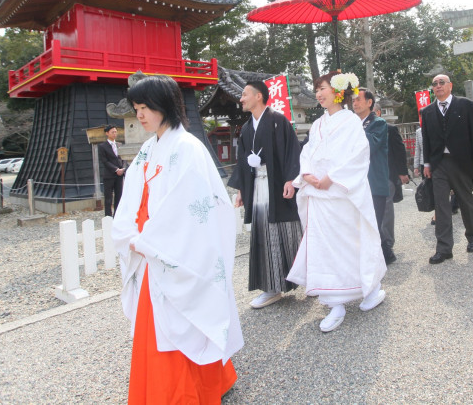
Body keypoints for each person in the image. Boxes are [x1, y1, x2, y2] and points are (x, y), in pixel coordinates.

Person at [112, 74, 243, 403]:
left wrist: (147, 240)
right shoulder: (147, 148)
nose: (140, 115)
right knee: (166, 322)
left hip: (167, 247)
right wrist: (128, 230)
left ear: (164, 106)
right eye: (137, 108)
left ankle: (181, 394)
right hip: (148, 244)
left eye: (145, 107)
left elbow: (191, 210)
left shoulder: (187, 148)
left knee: (178, 318)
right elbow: (132, 196)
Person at [287, 72, 387, 332]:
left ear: (338, 92)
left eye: (323, 89)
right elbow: (308, 152)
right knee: (325, 248)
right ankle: (335, 303)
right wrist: (306, 174)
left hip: (341, 193)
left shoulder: (351, 122)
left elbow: (358, 155)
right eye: (317, 89)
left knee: (351, 243)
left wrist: (331, 178)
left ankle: (370, 287)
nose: (319, 94)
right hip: (319, 194)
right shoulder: (318, 123)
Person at [228, 80, 304, 309]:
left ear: (259, 96)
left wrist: (292, 179)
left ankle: (307, 278)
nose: (241, 99)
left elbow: (293, 151)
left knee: (289, 231)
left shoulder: (278, 120)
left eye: (244, 94)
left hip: (279, 186)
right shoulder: (247, 128)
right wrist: (242, 189)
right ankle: (272, 287)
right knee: (264, 232)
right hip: (258, 187)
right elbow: (242, 161)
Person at [421, 74, 473, 263]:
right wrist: (427, 164)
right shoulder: (428, 111)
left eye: (442, 83)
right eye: (435, 84)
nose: (438, 86)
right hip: (439, 163)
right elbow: (426, 139)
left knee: (466, 200)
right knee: (441, 205)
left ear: (450, 85)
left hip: (461, 161)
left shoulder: (465, 105)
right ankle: (444, 248)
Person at [351, 88, 394, 264]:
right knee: (365, 221)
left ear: (370, 103)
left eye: (358, 99)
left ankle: (380, 258)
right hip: (356, 181)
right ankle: (386, 255)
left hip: (374, 180)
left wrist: (353, 129)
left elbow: (370, 146)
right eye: (353, 100)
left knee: (374, 221)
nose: (355, 103)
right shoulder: (352, 123)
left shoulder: (379, 123)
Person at [375, 103, 409, 262]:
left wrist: (402, 172)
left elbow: (400, 151)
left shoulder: (389, 129)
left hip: (387, 174)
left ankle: (387, 243)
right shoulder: (358, 129)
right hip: (368, 178)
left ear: (379, 112)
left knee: (387, 209)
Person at [98, 125, 126, 217]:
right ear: (107, 133)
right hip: (109, 174)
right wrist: (116, 169)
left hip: (119, 174)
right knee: (108, 197)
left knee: (119, 195)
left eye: (115, 132)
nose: (115, 134)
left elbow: (121, 158)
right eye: (112, 132)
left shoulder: (119, 144)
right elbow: (104, 161)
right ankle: (108, 216)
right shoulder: (102, 146)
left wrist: (122, 169)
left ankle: (117, 215)